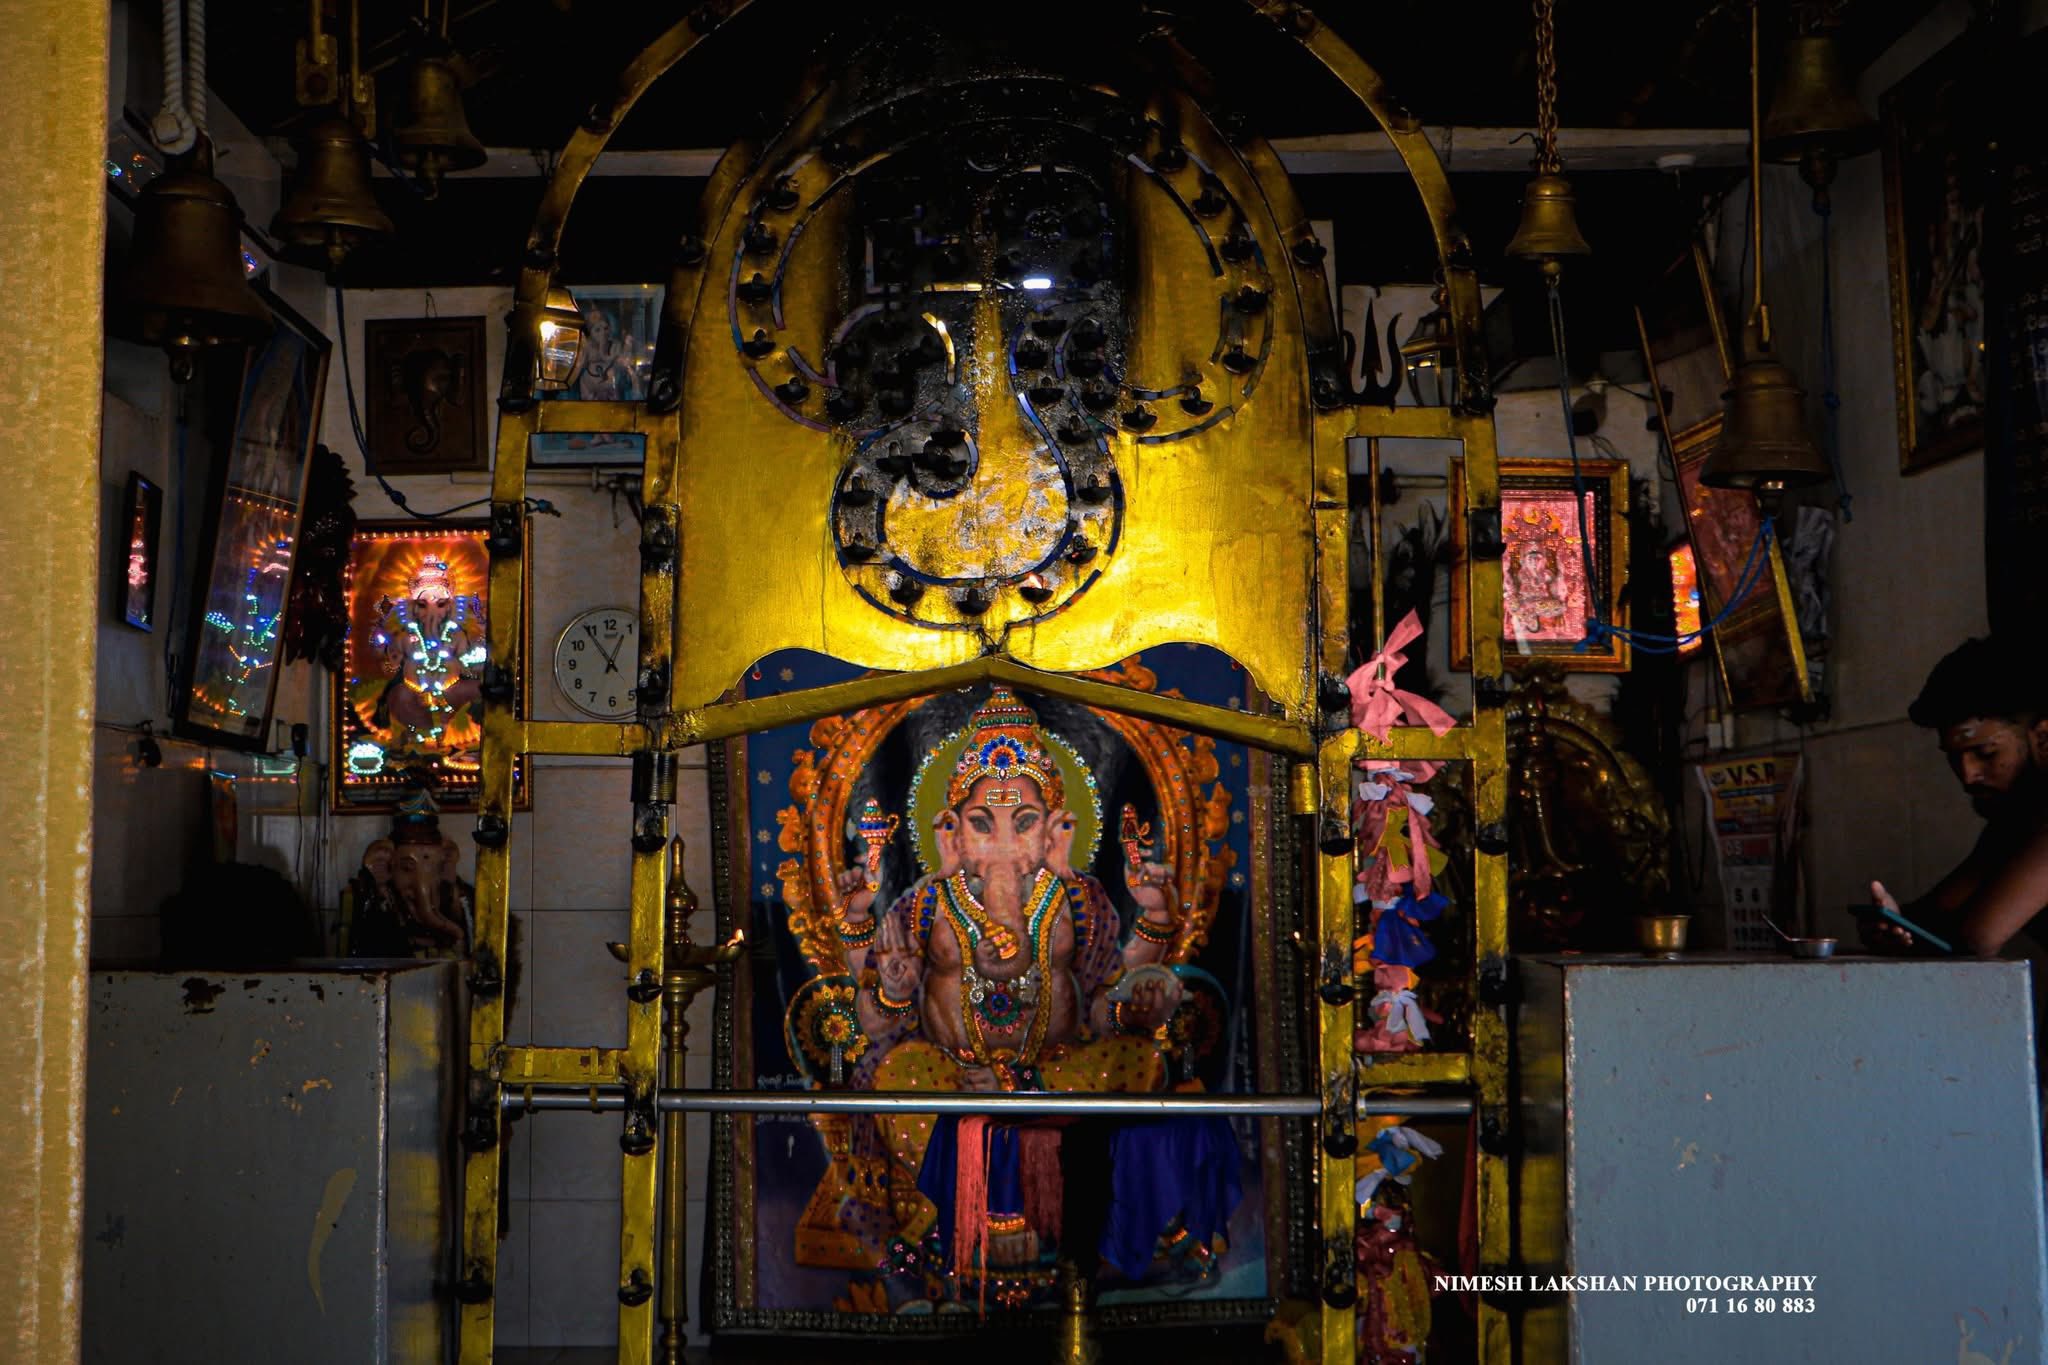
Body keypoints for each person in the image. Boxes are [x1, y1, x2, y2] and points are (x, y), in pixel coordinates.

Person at [1866, 637, 2048, 962]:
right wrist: (1892, 924)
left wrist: (1915, 934)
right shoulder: (2016, 820)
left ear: (2043, 737)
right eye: (1955, 758)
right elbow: (1934, 914)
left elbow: (1980, 937)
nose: (1968, 775)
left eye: (1985, 753)